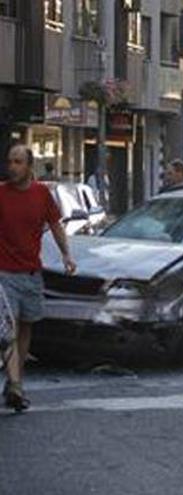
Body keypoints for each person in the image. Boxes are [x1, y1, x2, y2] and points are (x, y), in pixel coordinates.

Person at [0, 144, 77, 411]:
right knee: (8, 331)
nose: (12, 167)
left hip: (32, 273)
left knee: (25, 328)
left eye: (18, 162)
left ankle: (14, 382)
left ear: (29, 165)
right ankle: (16, 385)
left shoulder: (41, 193)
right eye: (10, 161)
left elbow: (55, 224)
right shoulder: (1, 194)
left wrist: (67, 254)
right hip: (4, 274)